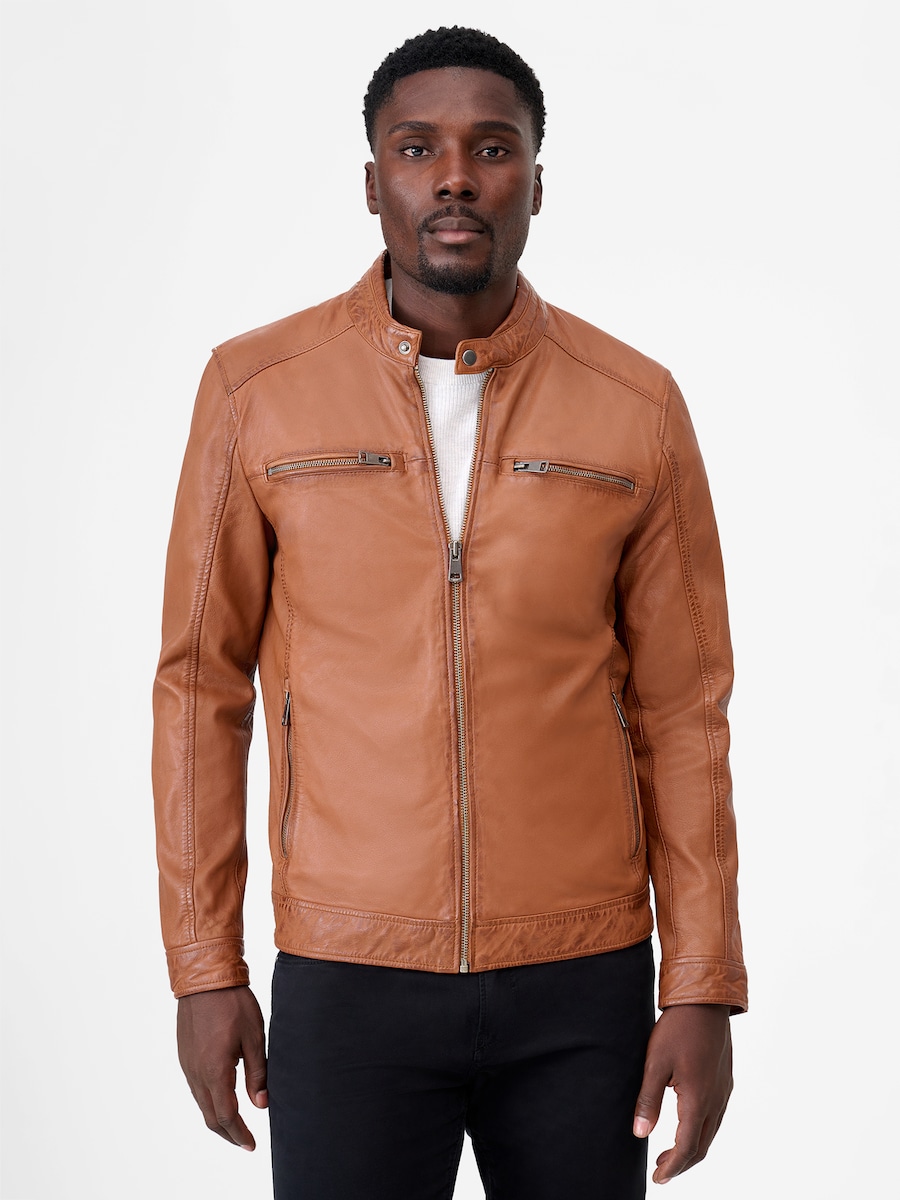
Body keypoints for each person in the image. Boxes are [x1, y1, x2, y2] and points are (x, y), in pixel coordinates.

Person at [153, 26, 747, 1199]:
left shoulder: (633, 405)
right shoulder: (256, 391)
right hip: (347, 976)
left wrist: (703, 984)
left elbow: (686, 710)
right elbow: (199, 689)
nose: (457, 177)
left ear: (538, 181)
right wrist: (204, 965)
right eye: (418, 148)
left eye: (494, 147)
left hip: (583, 980)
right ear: (374, 181)